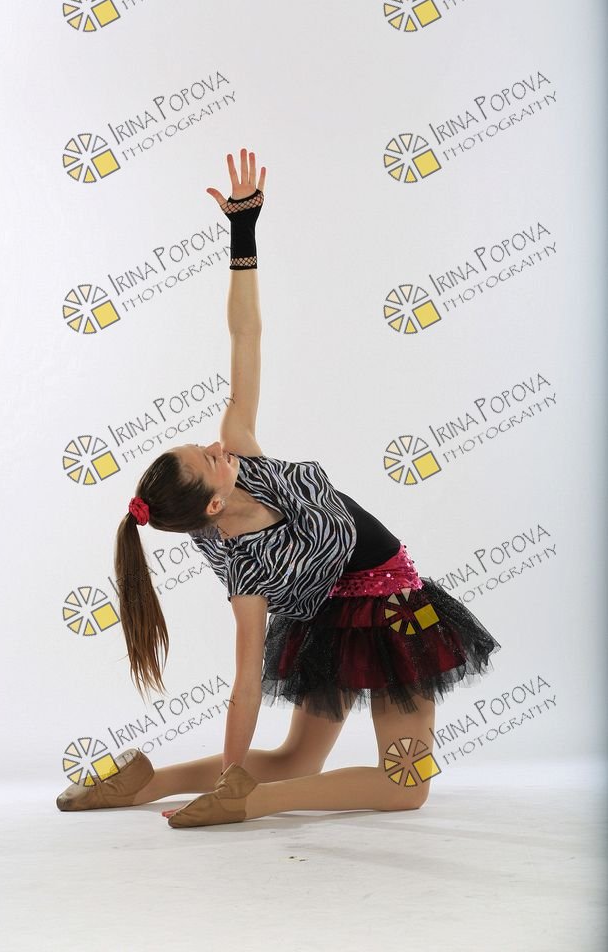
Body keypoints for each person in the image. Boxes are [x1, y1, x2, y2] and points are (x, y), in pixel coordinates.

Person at [56, 147, 501, 827]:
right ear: (212, 503)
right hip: (393, 608)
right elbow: (243, 689)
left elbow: (245, 334)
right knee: (406, 784)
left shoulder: (240, 452)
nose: (216, 445)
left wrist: (242, 231)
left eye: (204, 444)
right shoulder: (245, 571)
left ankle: (145, 783)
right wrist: (234, 785)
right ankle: (250, 799)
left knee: (297, 757)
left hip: (332, 614)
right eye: (208, 458)